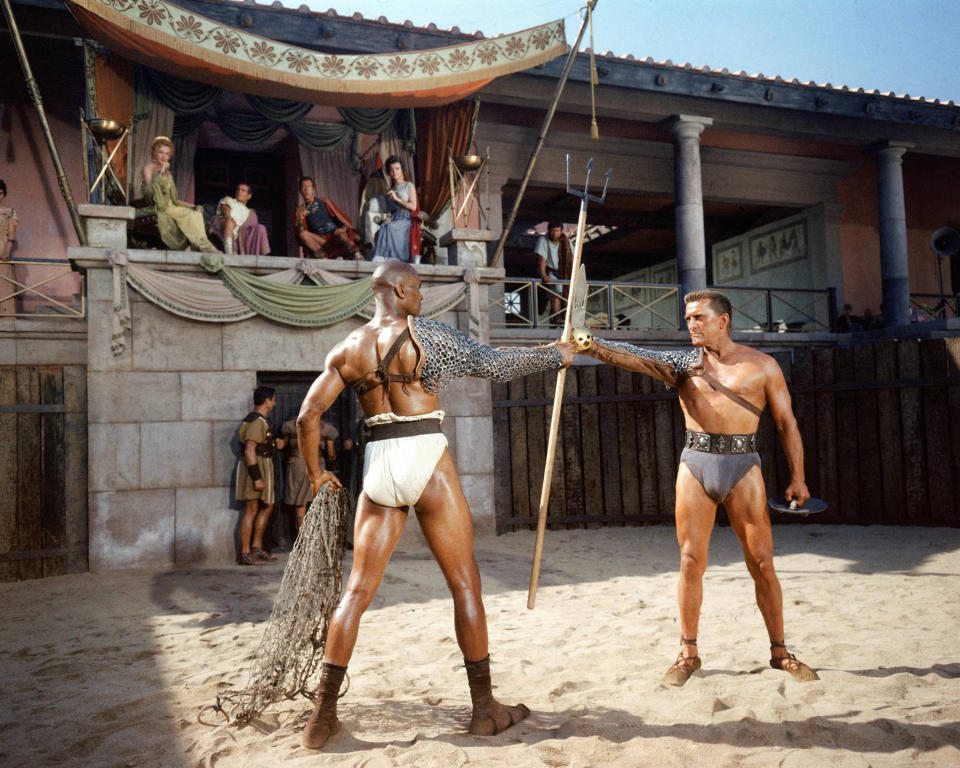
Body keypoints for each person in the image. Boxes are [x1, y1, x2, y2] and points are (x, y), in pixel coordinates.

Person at [295, 260, 575, 749]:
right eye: (418, 289)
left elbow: (306, 416)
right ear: (399, 290)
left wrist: (317, 474)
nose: (422, 297)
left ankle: (322, 716)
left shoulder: (347, 348)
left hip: (378, 461)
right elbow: (495, 365)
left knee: (357, 591)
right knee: (465, 582)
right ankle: (485, 708)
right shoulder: (427, 335)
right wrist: (556, 354)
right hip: (425, 451)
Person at [576, 289, 818, 686]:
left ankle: (780, 652)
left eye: (699, 317)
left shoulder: (763, 366)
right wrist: (590, 343)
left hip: (744, 466)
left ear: (723, 321)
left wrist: (798, 477)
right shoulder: (682, 364)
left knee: (763, 565)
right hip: (696, 464)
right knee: (691, 562)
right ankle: (688, 653)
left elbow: (786, 423)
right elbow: (633, 356)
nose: (691, 324)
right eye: (688, 318)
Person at [235, 386, 286, 566]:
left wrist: (276, 443)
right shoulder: (257, 421)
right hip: (256, 465)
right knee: (252, 508)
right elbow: (250, 449)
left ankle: (256, 547)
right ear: (266, 401)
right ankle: (246, 553)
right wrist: (257, 477)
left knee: (267, 505)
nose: (274, 403)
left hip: (263, 463)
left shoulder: (262, 421)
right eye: (273, 399)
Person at [140, 136, 218, 253]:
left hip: (171, 206)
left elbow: (173, 199)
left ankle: (195, 245)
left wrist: (190, 205)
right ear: (154, 152)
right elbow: (150, 192)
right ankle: (204, 247)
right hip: (161, 207)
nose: (164, 156)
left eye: (167, 154)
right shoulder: (148, 168)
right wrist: (160, 172)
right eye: (161, 152)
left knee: (197, 211)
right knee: (191, 215)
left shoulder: (168, 173)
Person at [281, 415, 338, 530]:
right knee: (320, 501)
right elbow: (331, 453)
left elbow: (283, 444)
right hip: (316, 464)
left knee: (300, 504)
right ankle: (317, 539)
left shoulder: (291, 425)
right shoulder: (326, 428)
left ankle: (302, 541)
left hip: (296, 464)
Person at [295, 176, 362, 260]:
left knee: (340, 233)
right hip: (321, 240)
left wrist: (345, 227)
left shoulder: (324, 201)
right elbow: (299, 233)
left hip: (334, 234)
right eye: (303, 187)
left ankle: (357, 254)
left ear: (313, 190)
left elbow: (340, 217)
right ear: (300, 191)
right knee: (303, 234)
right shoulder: (300, 210)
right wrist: (300, 218)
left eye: (308, 186)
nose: (306, 189)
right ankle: (324, 258)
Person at [369, 155, 420, 264]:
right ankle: (381, 257)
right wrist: (387, 217)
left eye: (397, 168)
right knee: (383, 226)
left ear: (402, 170)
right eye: (391, 169)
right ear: (389, 172)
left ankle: (396, 258)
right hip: (394, 217)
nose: (394, 172)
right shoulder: (391, 189)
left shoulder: (408, 186)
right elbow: (389, 210)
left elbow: (413, 206)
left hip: (405, 218)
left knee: (391, 227)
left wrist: (397, 199)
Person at [209, 182, 270, 256]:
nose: (239, 191)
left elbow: (253, 227)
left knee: (261, 227)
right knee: (229, 223)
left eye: (243, 190)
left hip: (242, 233)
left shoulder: (251, 213)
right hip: (226, 225)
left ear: (249, 196)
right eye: (238, 189)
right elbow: (225, 208)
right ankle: (230, 253)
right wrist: (228, 217)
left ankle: (257, 257)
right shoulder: (230, 200)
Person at [534, 221, 573, 325]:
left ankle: (566, 318)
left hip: (564, 273)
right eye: (552, 230)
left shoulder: (565, 240)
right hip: (550, 271)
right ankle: (556, 317)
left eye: (557, 231)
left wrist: (574, 274)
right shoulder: (543, 240)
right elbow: (542, 259)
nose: (555, 233)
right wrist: (543, 274)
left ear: (561, 231)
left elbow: (573, 257)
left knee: (568, 293)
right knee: (557, 290)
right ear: (548, 231)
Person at [0, 179, 18, 315]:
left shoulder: (9, 211)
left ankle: (6, 315)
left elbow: (11, 235)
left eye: (0, 193)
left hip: (2, 246)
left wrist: (7, 249)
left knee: (3, 283)